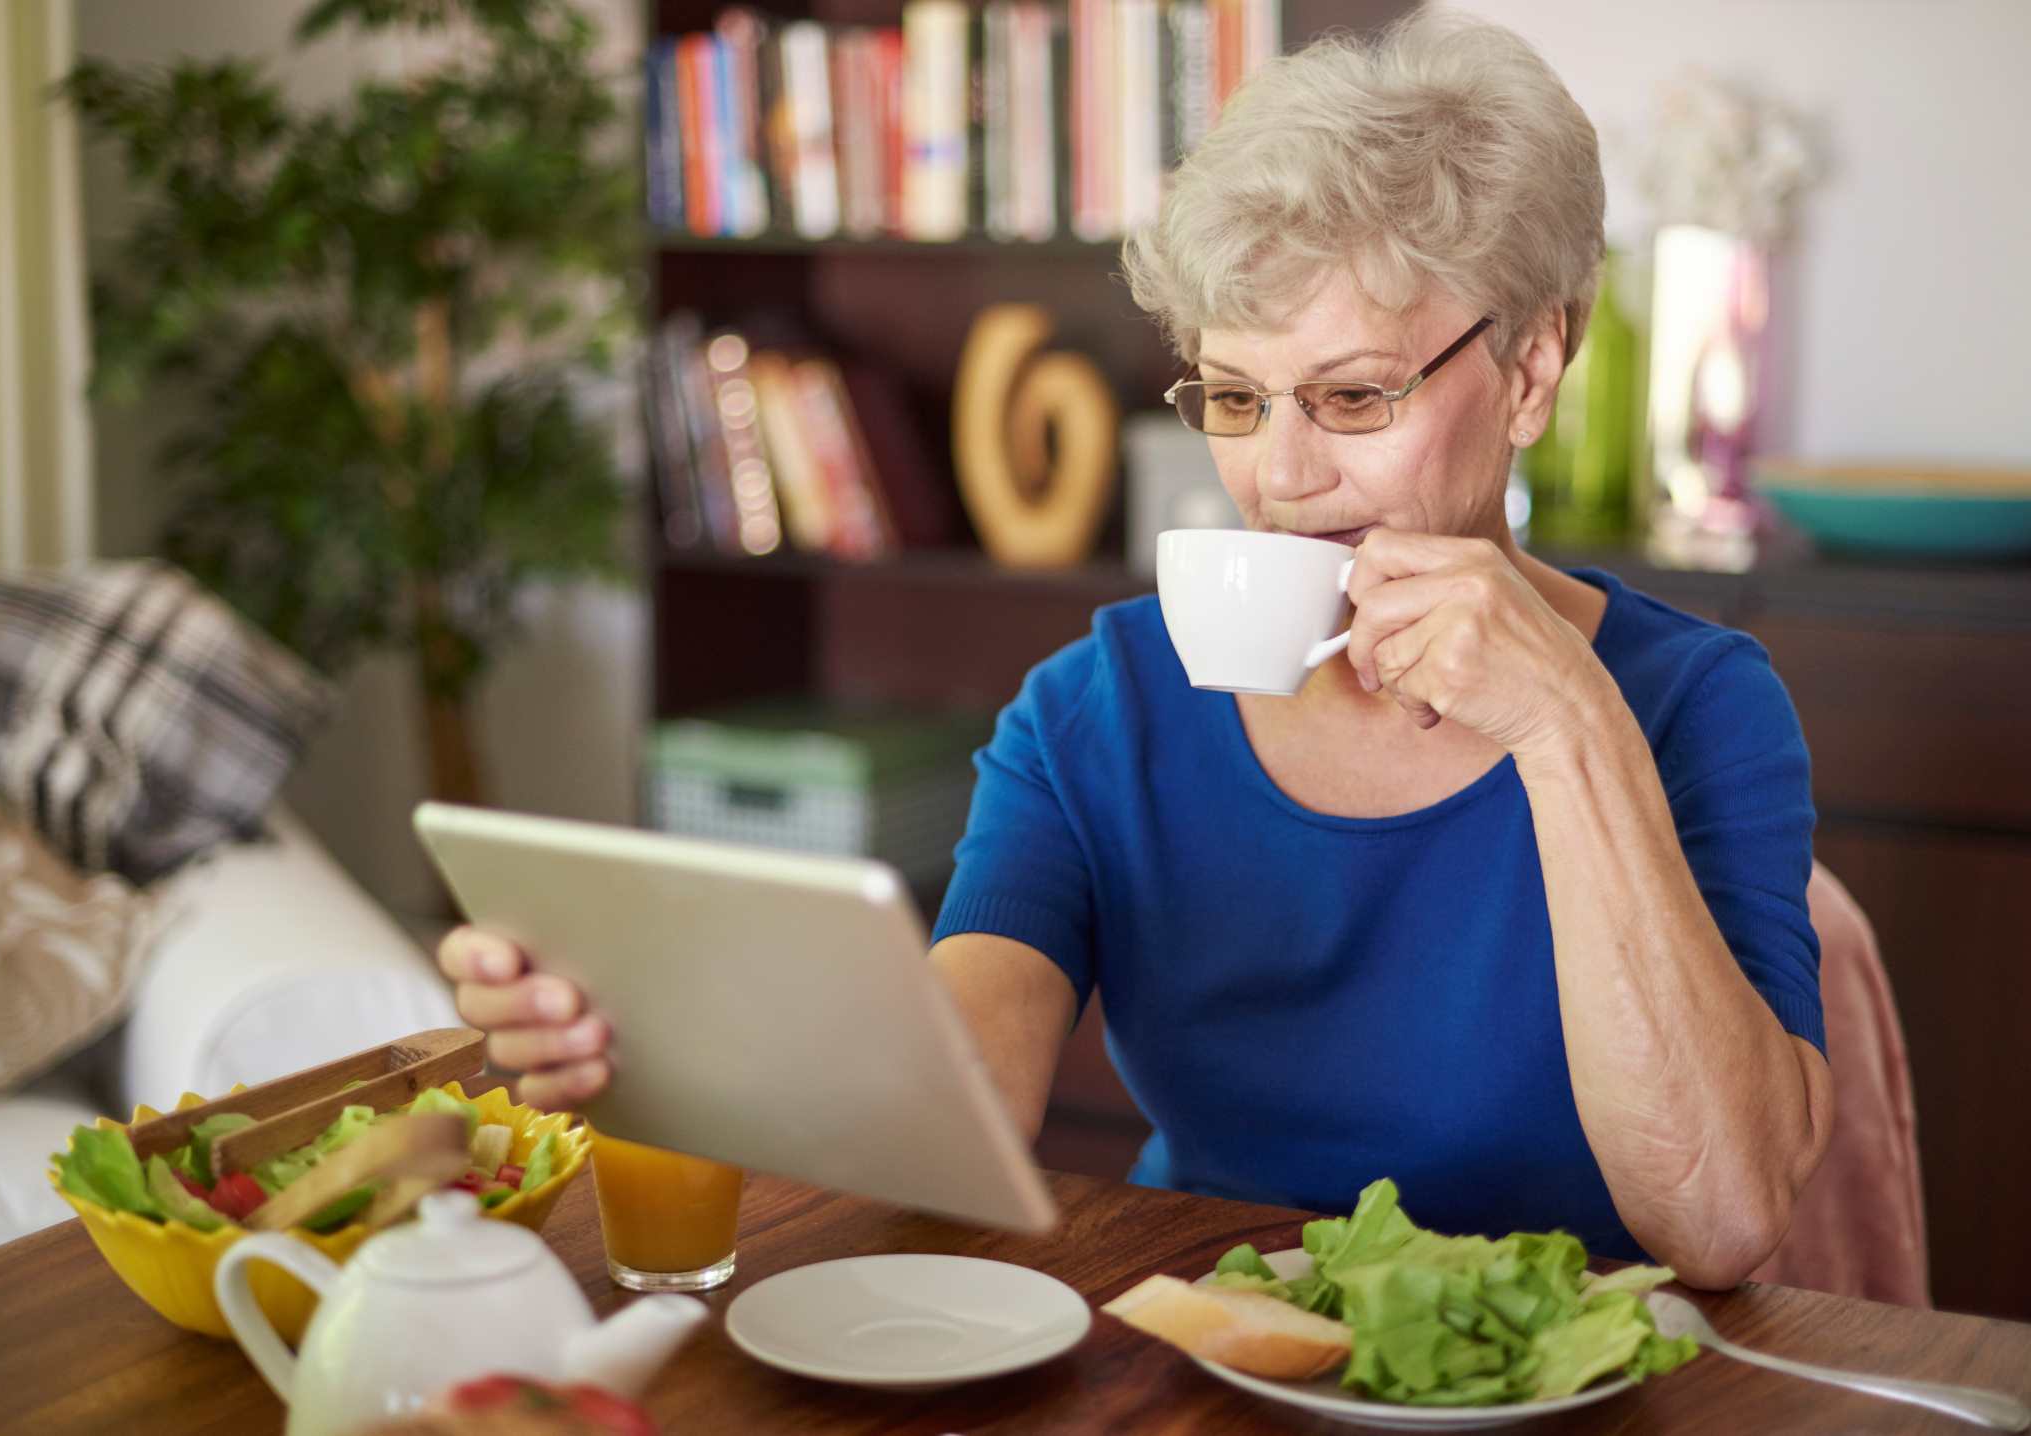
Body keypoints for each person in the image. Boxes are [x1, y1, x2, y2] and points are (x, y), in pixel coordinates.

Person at [439, 11, 1831, 1290]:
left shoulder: (1697, 705)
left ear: (1529, 369)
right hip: (1213, 1355)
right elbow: (955, 1106)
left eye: (1352, 397)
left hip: (1569, 1384)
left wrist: (1564, 725)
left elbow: (1721, 1221)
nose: (1282, 477)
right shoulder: (1098, 711)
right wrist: (661, 1048)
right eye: (1233, 396)